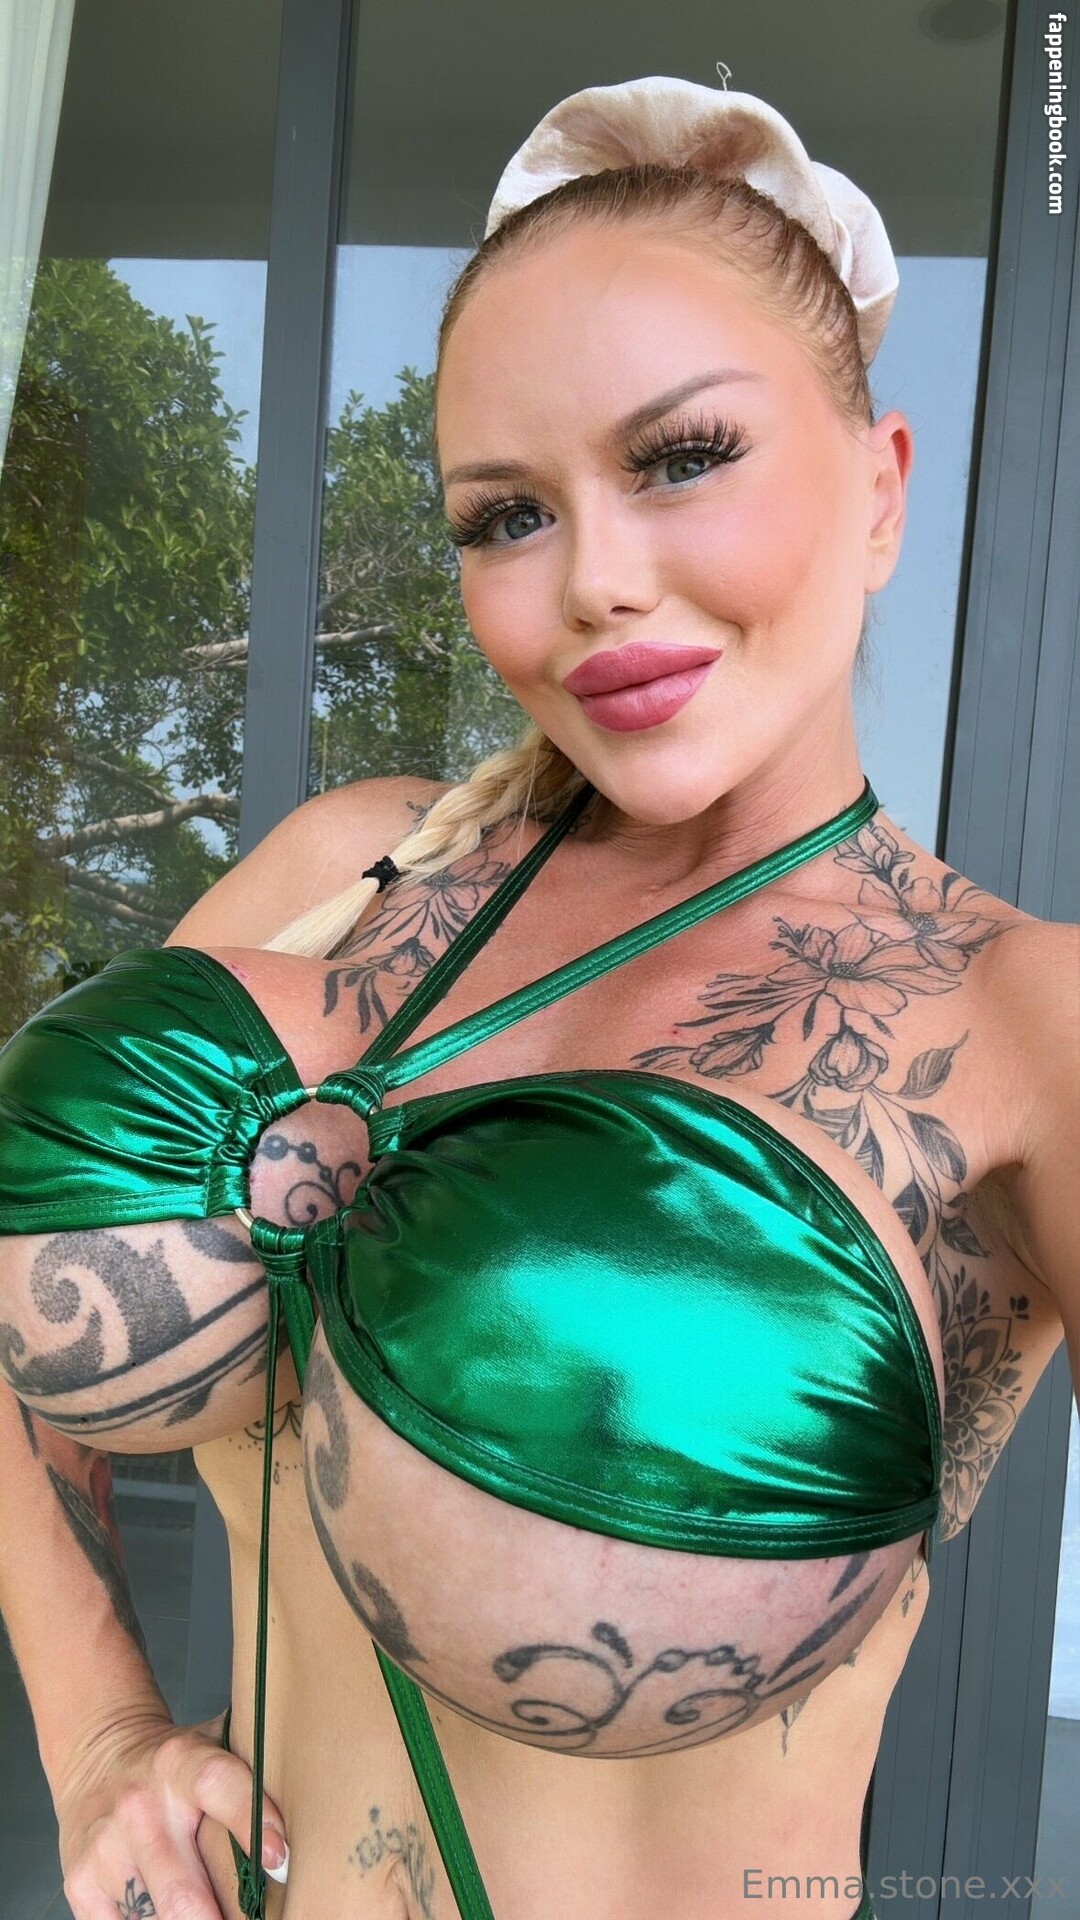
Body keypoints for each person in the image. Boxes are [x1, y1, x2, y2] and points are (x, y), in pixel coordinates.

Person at [0, 73, 1077, 1920]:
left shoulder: (1015, 1021)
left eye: (684, 458)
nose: (595, 583)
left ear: (883, 488)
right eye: (506, 515)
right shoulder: (353, 876)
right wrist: (99, 1727)